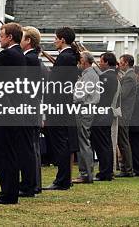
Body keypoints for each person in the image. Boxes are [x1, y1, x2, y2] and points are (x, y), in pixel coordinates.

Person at [0, 23, 27, 205]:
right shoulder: (16, 54)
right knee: (9, 153)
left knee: (5, 153)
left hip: (6, 110)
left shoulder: (9, 54)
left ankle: (7, 195)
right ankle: (9, 193)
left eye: (1, 35)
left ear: (10, 37)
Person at [43, 27, 80, 190]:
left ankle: (62, 180)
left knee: (61, 143)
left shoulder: (65, 57)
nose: (54, 41)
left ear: (63, 40)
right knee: (62, 142)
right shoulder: (68, 56)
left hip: (58, 105)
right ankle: (64, 178)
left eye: (56, 38)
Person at [19, 26, 43, 196]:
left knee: (27, 149)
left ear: (28, 41)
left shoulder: (29, 59)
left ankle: (29, 185)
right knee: (31, 148)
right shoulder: (34, 58)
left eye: (21, 37)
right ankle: (33, 184)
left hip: (28, 108)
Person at [72, 51, 101, 184]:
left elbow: (80, 95)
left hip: (84, 109)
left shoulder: (89, 75)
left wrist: (70, 96)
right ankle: (86, 173)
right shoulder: (89, 74)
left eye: (80, 60)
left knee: (83, 141)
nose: (78, 62)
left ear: (84, 61)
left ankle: (85, 174)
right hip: (86, 109)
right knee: (84, 141)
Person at [92, 52, 118, 181]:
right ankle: (107, 171)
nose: (100, 63)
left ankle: (104, 172)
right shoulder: (113, 76)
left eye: (101, 61)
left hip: (101, 113)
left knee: (101, 145)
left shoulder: (106, 77)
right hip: (107, 113)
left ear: (107, 62)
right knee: (106, 144)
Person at [115, 54, 136, 177]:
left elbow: (122, 94)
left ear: (127, 63)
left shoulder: (129, 77)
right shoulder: (128, 76)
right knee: (122, 141)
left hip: (124, 113)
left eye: (121, 62)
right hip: (124, 112)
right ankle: (125, 168)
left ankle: (127, 169)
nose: (119, 64)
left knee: (123, 142)